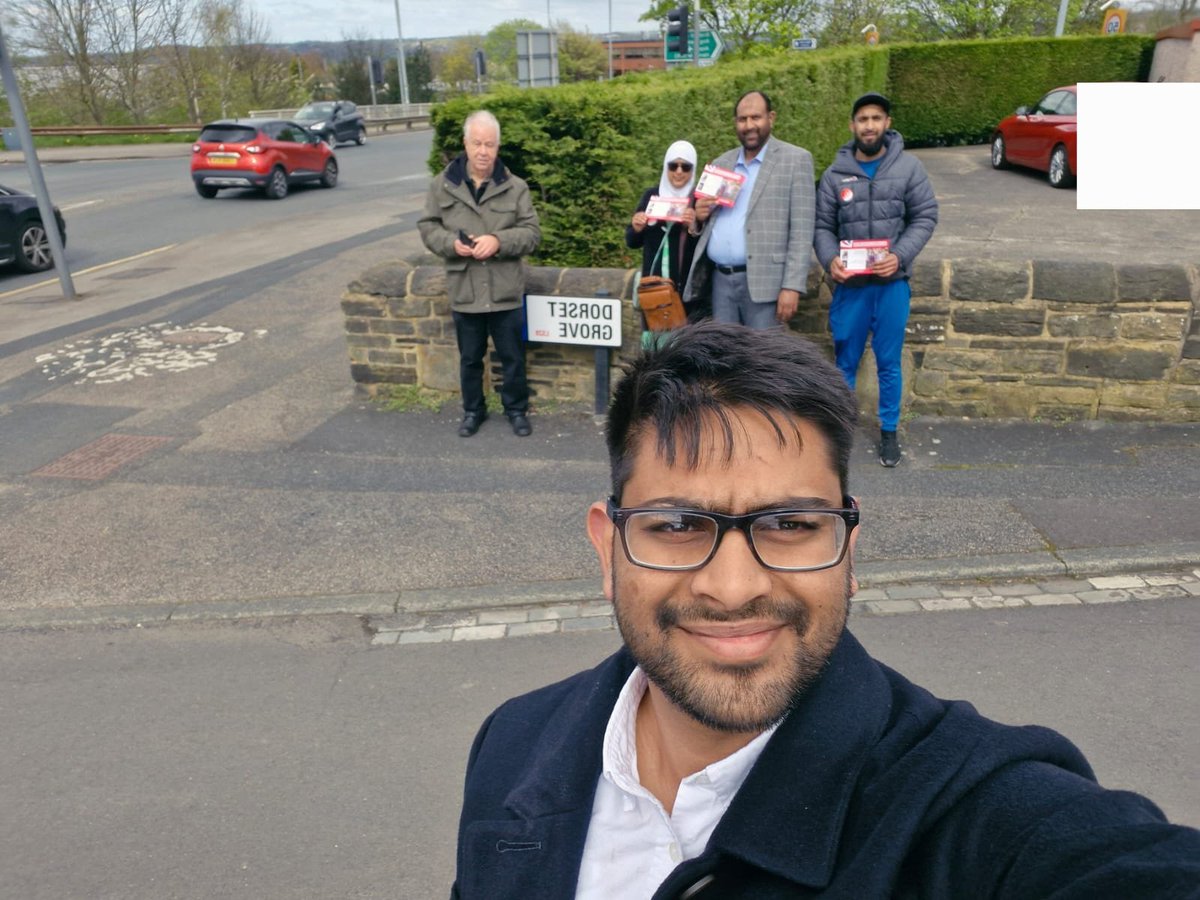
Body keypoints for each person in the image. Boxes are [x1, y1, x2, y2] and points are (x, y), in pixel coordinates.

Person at [450, 322, 1200, 899]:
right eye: (677, 526)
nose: (734, 587)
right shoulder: (513, 741)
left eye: (790, 524)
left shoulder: (974, 808)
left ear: (848, 542)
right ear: (606, 547)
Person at [814, 92, 938, 467]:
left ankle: (888, 432)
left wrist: (899, 256)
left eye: (876, 118)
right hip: (850, 288)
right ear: (853, 126)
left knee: (888, 362)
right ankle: (841, 432)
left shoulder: (909, 168)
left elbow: (925, 216)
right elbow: (822, 226)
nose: (869, 125)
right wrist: (829, 259)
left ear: (887, 123)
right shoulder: (835, 174)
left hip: (890, 286)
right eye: (863, 119)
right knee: (844, 362)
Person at [417, 109, 541, 438]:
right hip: (465, 290)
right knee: (470, 359)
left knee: (513, 358)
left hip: (504, 291)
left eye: (490, 144)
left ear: (498, 147)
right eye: (477, 143)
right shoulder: (442, 186)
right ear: (465, 144)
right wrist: (449, 244)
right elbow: (428, 227)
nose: (483, 151)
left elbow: (531, 233)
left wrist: (498, 240)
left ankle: (516, 409)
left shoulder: (516, 188)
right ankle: (473, 411)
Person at [683, 90, 815, 330]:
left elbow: (802, 230)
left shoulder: (796, 160)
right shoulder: (721, 163)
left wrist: (792, 286)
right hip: (720, 281)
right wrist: (699, 218)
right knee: (726, 360)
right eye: (743, 119)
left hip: (767, 284)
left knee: (765, 362)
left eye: (756, 117)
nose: (749, 125)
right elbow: (703, 223)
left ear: (771, 118)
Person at [626, 141, 703, 338]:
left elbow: (706, 249)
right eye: (673, 166)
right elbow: (632, 242)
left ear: (693, 169)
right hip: (654, 290)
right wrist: (636, 228)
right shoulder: (651, 196)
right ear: (665, 167)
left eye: (685, 167)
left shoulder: (698, 200)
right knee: (655, 352)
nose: (678, 172)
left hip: (687, 294)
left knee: (687, 350)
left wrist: (693, 227)